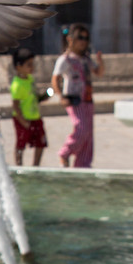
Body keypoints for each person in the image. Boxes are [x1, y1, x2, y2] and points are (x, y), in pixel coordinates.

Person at [51, 24, 105, 168]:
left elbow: (98, 72)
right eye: (80, 37)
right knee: (81, 129)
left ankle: (83, 163)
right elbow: (55, 78)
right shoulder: (65, 59)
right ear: (70, 39)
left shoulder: (85, 59)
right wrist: (60, 96)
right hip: (74, 100)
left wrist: (100, 61)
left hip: (87, 100)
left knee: (88, 134)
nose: (83, 41)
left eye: (86, 38)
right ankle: (65, 152)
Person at [10, 47, 48, 166]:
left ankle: (36, 166)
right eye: (29, 64)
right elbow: (15, 105)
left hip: (35, 117)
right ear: (18, 67)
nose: (32, 67)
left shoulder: (30, 79)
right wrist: (23, 121)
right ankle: (19, 166)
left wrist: (44, 96)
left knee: (40, 143)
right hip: (23, 119)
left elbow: (34, 96)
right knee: (21, 145)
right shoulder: (17, 84)